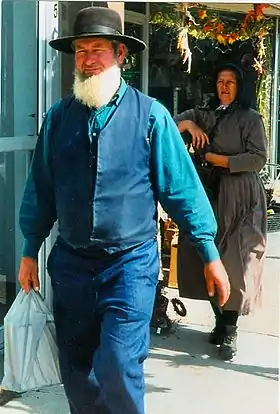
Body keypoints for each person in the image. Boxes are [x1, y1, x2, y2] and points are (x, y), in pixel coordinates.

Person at [17, 7, 230, 414]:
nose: (88, 59)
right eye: (81, 50)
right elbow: (40, 189)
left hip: (129, 267)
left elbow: (182, 191)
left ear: (120, 55)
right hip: (72, 266)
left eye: (98, 49)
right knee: (77, 372)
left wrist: (209, 255)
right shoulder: (59, 118)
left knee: (117, 365)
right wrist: (30, 249)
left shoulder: (151, 116)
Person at [175, 63, 267, 361]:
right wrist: (189, 126)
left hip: (240, 196)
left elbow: (258, 158)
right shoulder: (205, 113)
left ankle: (230, 327)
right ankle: (220, 318)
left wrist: (218, 159)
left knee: (236, 260)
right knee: (206, 255)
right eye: (220, 81)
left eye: (230, 82)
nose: (224, 87)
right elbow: (170, 125)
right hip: (209, 193)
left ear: (240, 86)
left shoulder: (250, 119)